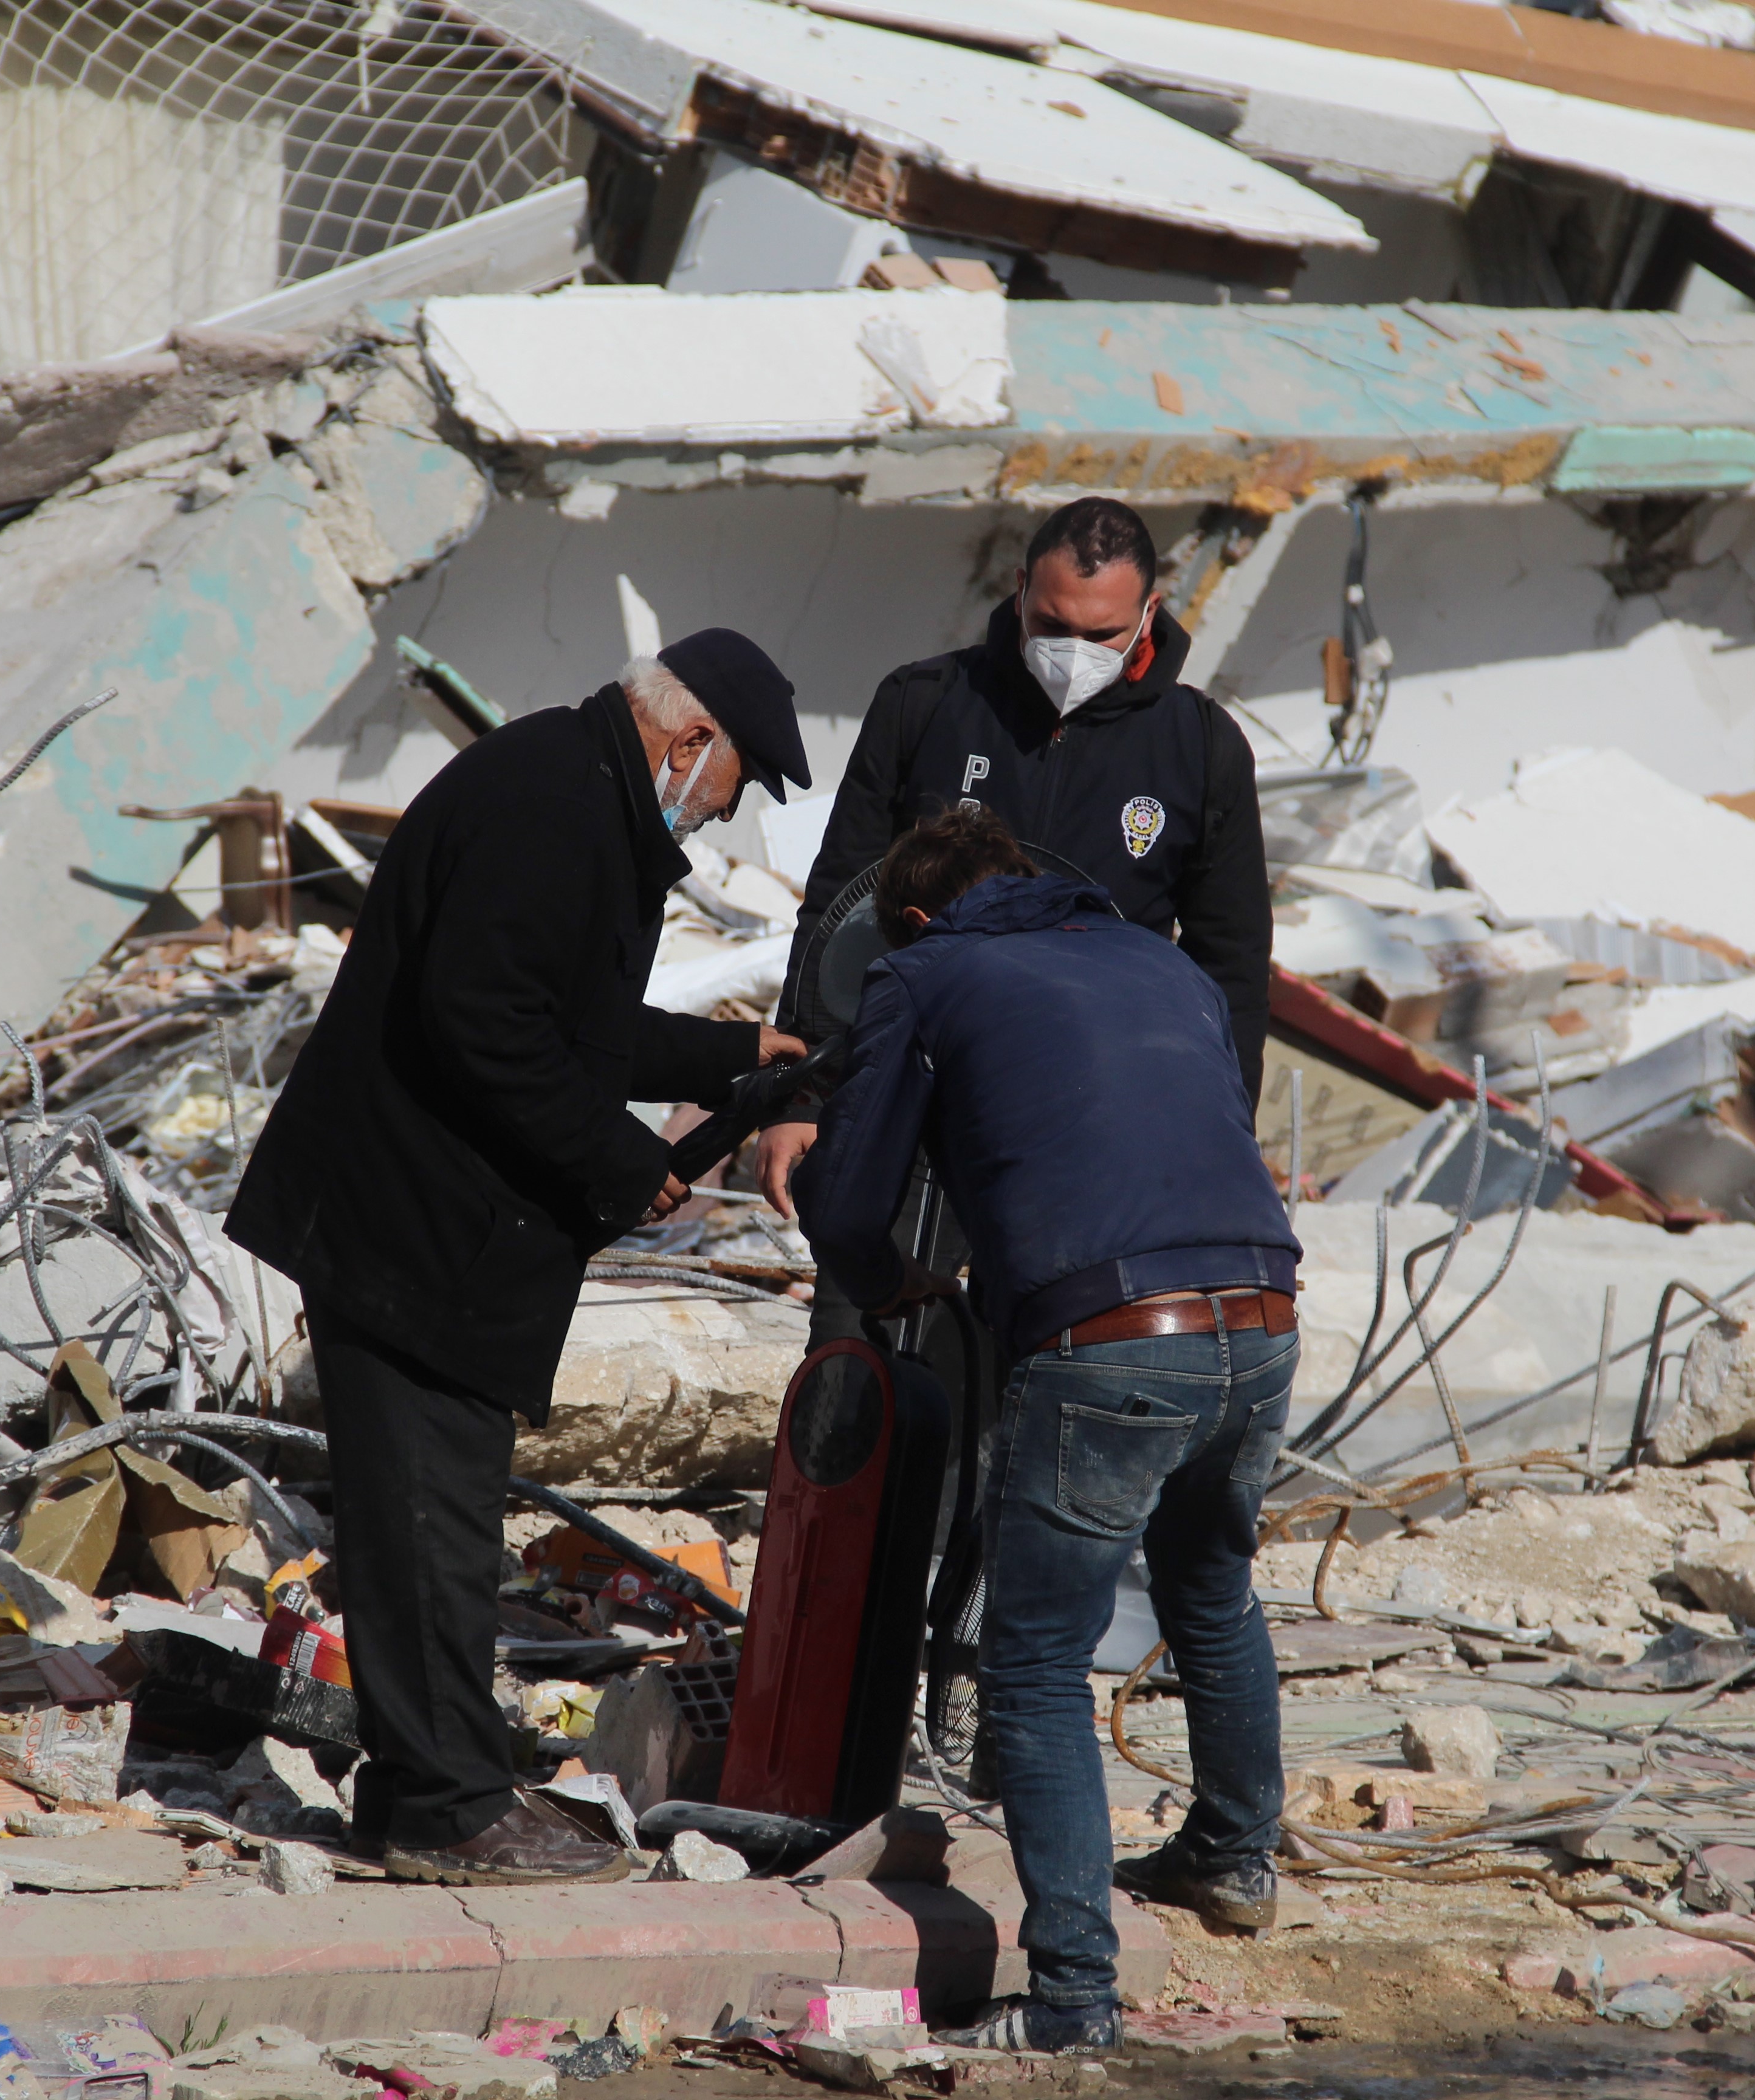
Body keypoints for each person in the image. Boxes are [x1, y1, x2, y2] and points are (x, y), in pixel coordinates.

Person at [223, 630, 811, 1886]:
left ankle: (415, 1792)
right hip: (409, 1233)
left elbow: (568, 1023)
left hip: (432, 1233)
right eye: (735, 785)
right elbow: (483, 1021)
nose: (723, 818)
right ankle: (450, 1813)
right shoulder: (552, 801)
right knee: (428, 1526)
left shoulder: (573, 788)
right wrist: (617, 1163)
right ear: (691, 740)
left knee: (428, 1519)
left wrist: (728, 1058)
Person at [795, 805, 1302, 2057]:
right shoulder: (1162, 958)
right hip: (1263, 1313)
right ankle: (1236, 1858)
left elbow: (850, 1198)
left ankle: (1074, 1994)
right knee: (1214, 1591)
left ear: (911, 919)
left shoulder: (923, 968)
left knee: (1031, 1665)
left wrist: (891, 1274)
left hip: (1110, 1336)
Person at [757, 495, 1272, 1220]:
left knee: (1047, 1328)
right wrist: (803, 1094)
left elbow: (1232, 967)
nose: (1074, 654)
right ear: (1020, 588)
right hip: (907, 1097)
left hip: (1092, 1118)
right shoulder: (925, 703)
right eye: (1053, 626)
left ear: (1150, 613)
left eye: (1103, 635)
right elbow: (838, 904)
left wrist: (1223, 1135)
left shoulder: (1201, 748)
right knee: (868, 1321)